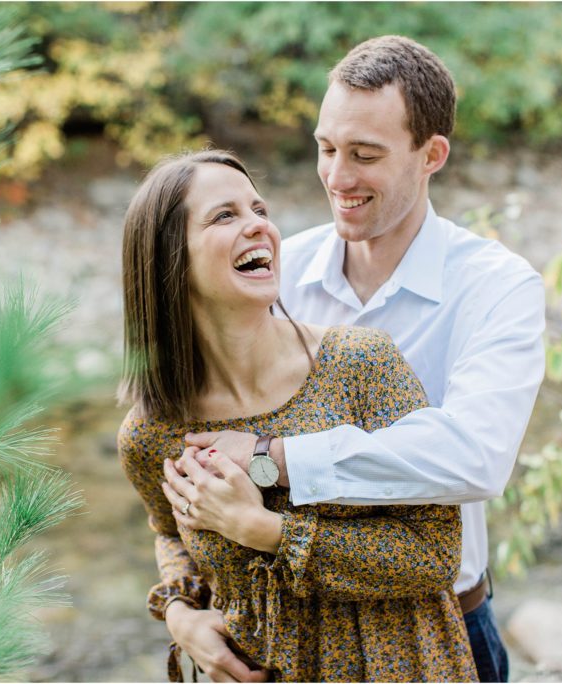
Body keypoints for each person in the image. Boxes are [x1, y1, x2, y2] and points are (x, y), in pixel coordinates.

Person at [163, 36, 546, 682]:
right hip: (285, 638)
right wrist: (180, 610)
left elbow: (473, 456)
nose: (338, 177)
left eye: (365, 155)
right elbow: (173, 468)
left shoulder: (496, 285)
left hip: (440, 628)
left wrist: (270, 458)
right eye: (326, 148)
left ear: (432, 156)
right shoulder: (271, 274)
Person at [118, 149, 478, 682]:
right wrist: (179, 612)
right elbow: (170, 532)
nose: (259, 227)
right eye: (225, 215)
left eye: (259, 210)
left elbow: (435, 553)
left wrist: (265, 530)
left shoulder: (360, 364)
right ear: (169, 258)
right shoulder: (153, 433)